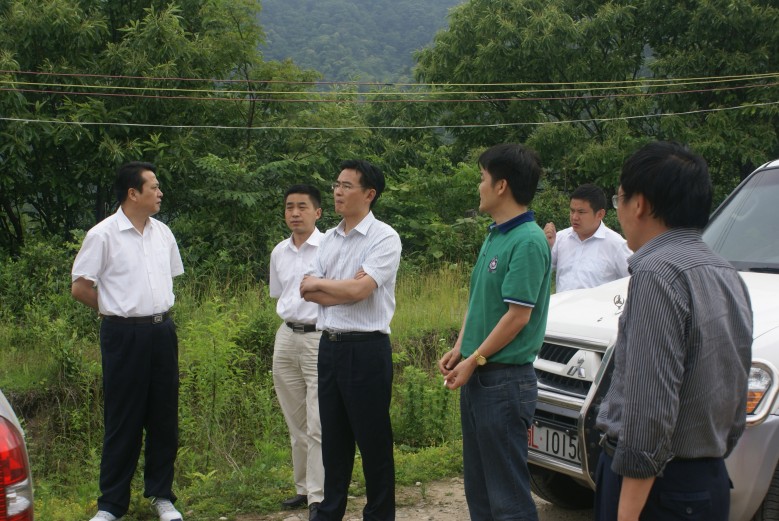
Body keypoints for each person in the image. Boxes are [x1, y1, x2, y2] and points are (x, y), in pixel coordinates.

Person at [594, 141, 753, 521]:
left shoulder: (657, 273)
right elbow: (736, 389)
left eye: (618, 199)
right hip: (707, 477)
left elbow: (648, 410)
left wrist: (627, 512)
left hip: (657, 489)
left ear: (640, 204)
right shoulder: (726, 273)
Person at [438, 143, 551, 521]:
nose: (479, 186)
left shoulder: (529, 240)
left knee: (508, 499)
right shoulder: (496, 235)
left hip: (504, 383)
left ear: (501, 185)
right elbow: (480, 303)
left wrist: (474, 359)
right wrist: (460, 348)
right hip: (481, 377)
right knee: (481, 492)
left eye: (482, 178)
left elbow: (517, 317)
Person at [71, 162, 185, 521]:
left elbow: (167, 279)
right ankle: (111, 505)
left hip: (162, 331)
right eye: (154, 187)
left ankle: (162, 495)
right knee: (123, 418)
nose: (160, 193)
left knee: (164, 417)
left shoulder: (163, 233)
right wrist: (112, 309)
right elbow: (80, 287)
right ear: (133, 193)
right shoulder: (103, 235)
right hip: (123, 334)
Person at [300, 159, 402, 521]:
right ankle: (329, 512)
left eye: (346, 186)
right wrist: (340, 288)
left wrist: (328, 286)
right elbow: (307, 290)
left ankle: (379, 515)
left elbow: (360, 291)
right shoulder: (329, 238)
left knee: (373, 441)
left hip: (366, 348)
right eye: (336, 185)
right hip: (329, 345)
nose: (337, 192)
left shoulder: (384, 237)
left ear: (369, 194)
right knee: (334, 439)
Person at [269, 184, 325, 519]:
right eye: (289, 207)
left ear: (317, 212)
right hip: (287, 335)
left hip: (319, 336)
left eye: (302, 207)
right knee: (296, 420)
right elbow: (281, 293)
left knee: (318, 420)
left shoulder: (329, 247)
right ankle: (302, 488)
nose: (295, 213)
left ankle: (319, 495)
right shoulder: (279, 251)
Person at [543, 183, 631, 292]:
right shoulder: (560, 238)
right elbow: (539, 272)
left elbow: (635, 281)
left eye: (581, 212)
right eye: (572, 211)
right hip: (562, 303)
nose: (574, 217)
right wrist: (546, 247)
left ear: (600, 214)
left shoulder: (616, 245)